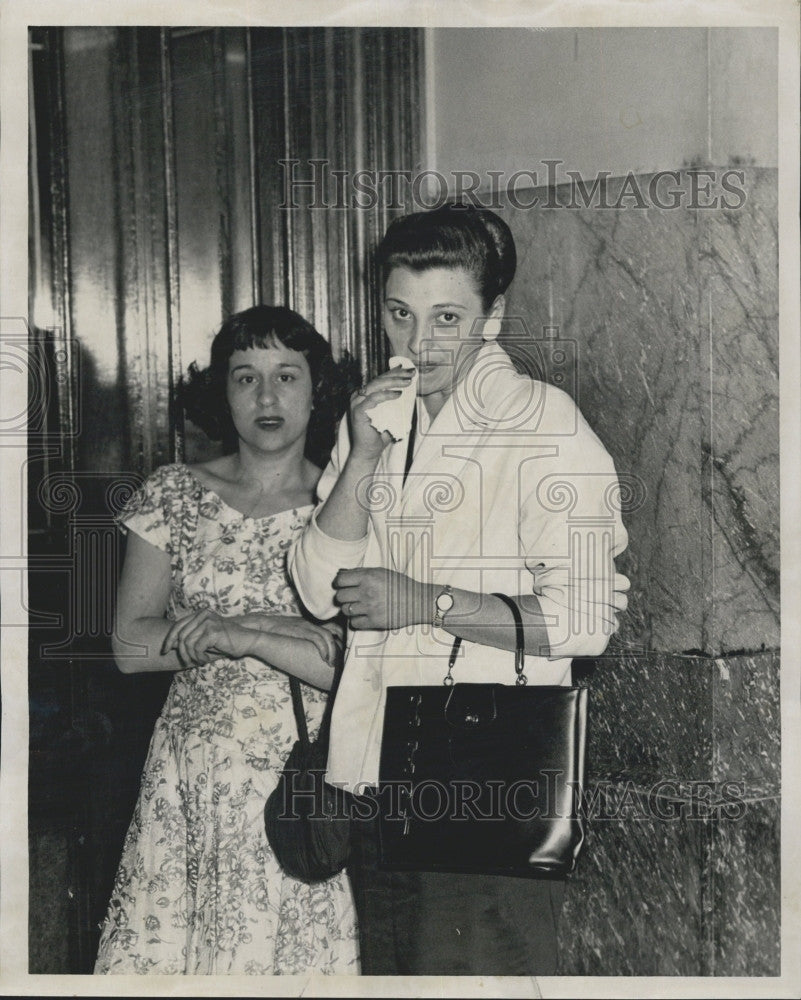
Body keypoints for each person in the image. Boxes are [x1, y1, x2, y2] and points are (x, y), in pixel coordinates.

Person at [289, 204, 630, 976]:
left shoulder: (544, 422)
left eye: (447, 318)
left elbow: (584, 621)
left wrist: (423, 602)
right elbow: (315, 590)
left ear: (493, 315)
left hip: (482, 776)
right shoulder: (373, 418)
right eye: (398, 314)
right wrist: (363, 459)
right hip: (374, 767)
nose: (419, 344)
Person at [94, 305, 359, 975]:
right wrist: (283, 632)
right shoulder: (175, 494)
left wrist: (240, 634)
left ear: (317, 390)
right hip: (192, 775)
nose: (266, 398)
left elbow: (352, 669)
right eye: (245, 378)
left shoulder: (351, 504)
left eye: (286, 377)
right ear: (222, 393)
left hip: (302, 782)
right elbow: (130, 646)